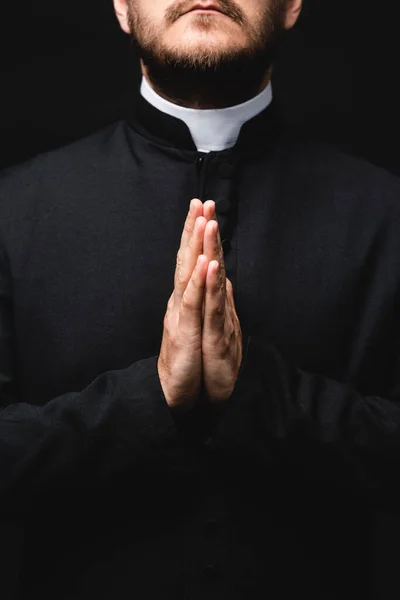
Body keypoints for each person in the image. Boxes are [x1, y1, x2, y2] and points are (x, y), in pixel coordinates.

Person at [1, 0, 400, 598]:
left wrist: (262, 395)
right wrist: (149, 398)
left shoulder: (387, 214)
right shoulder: (12, 209)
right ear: (121, 7)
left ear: (292, 6)